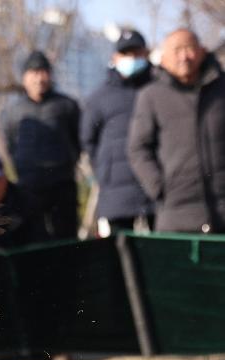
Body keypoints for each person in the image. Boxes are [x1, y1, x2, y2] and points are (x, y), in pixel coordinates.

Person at [128, 28, 225, 233]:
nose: (184, 56)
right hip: (175, 213)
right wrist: (159, 187)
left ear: (202, 50)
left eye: (189, 48)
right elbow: (138, 148)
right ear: (163, 58)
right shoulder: (151, 96)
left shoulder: (221, 89)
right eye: (176, 50)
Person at [81, 29, 155, 236]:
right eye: (126, 53)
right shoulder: (99, 97)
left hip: (156, 186)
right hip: (116, 191)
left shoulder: (159, 89)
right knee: (120, 253)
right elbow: (88, 140)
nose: (131, 58)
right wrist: (105, 172)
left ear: (146, 54)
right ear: (115, 57)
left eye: (136, 53)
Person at [2, 51, 81, 239]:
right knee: (33, 239)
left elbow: (77, 141)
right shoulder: (13, 111)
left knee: (67, 240)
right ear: (24, 78)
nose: (39, 78)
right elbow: (11, 145)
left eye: (43, 71)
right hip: (29, 187)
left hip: (62, 186)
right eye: (33, 72)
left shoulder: (67, 105)